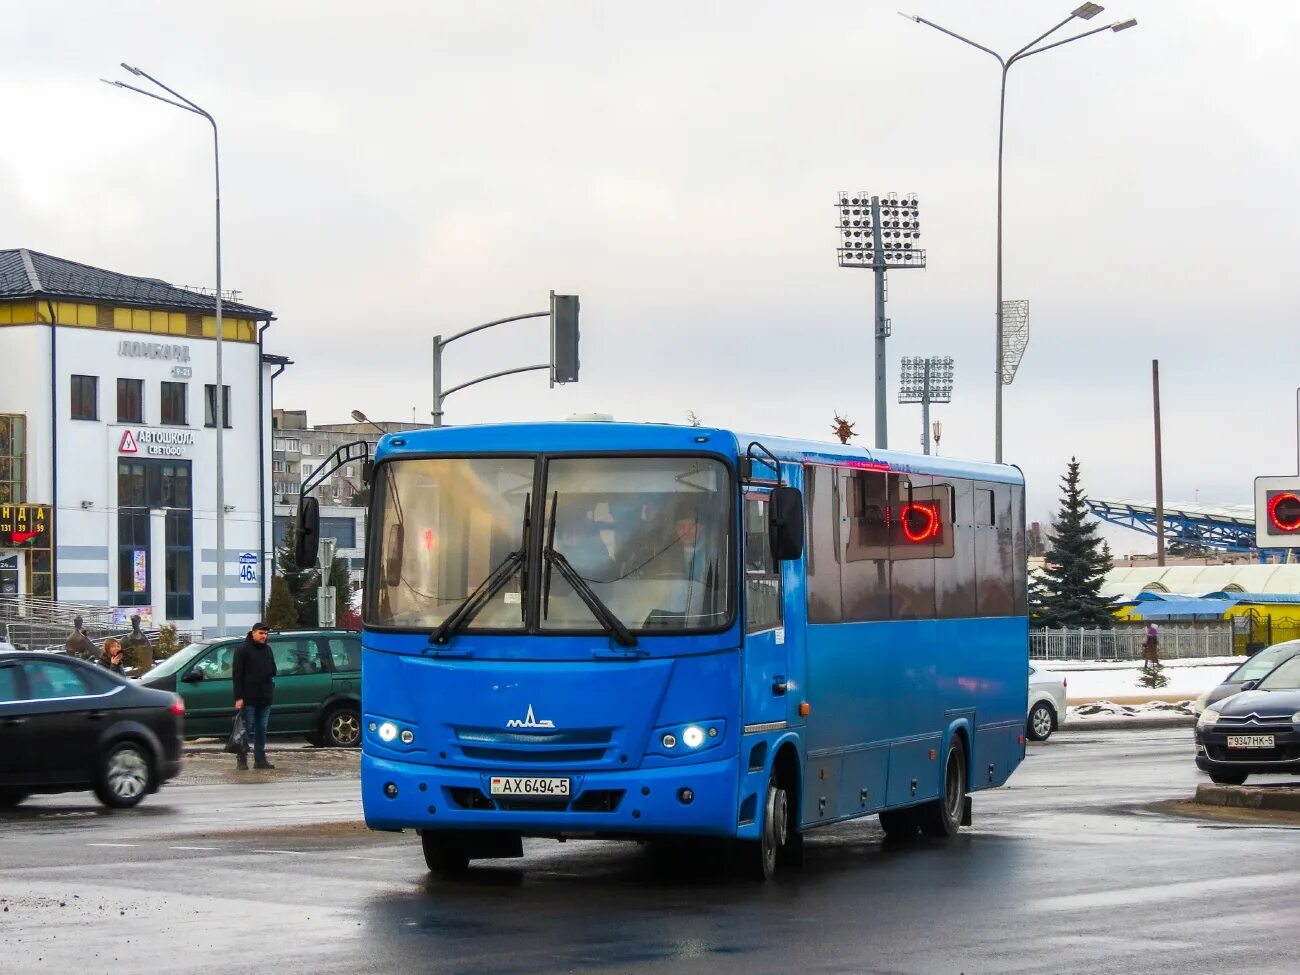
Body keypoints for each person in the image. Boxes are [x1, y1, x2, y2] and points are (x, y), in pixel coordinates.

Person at [232, 622, 277, 771]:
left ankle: (260, 759)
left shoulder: (268, 650)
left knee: (261, 729)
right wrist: (239, 697)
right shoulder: (243, 650)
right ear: (253, 633)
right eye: (261, 633)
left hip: (265, 697)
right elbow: (237, 675)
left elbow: (272, 670)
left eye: (266, 634)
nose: (264, 636)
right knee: (246, 729)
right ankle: (242, 759)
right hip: (248, 698)